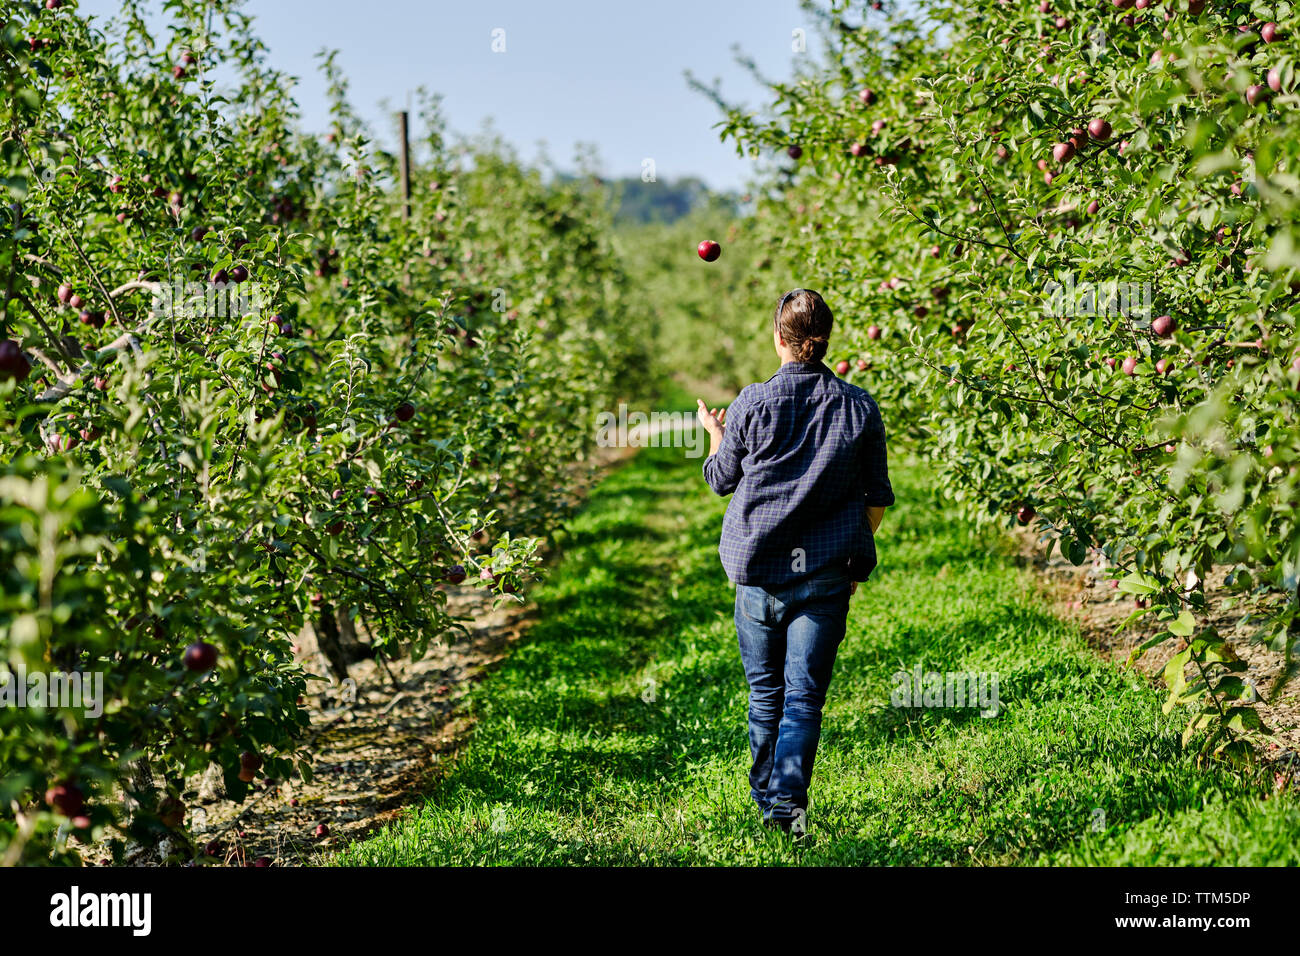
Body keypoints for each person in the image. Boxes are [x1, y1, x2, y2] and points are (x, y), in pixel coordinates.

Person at [696, 288, 894, 838]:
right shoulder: (859, 406)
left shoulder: (751, 403)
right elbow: (876, 496)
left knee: (766, 696)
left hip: (758, 574)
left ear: (778, 337)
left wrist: (716, 436)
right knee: (804, 698)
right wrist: (852, 553)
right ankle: (785, 805)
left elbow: (720, 480)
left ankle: (772, 804)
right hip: (826, 575)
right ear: (826, 338)